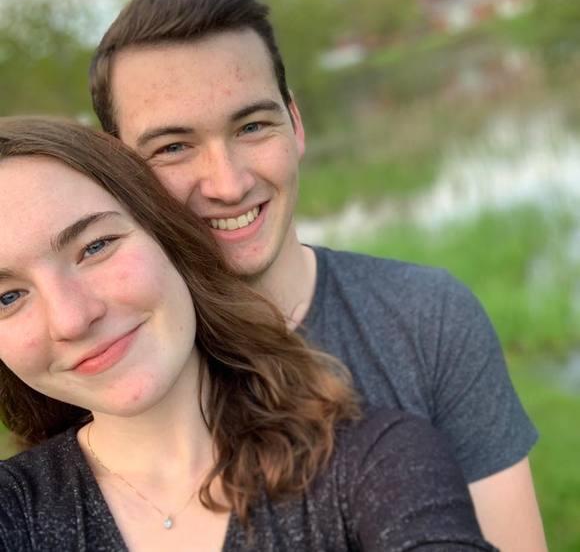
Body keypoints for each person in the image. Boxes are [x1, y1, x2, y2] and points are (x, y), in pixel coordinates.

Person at [88, 0, 546, 551]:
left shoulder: (428, 319)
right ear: (120, 172)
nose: (228, 184)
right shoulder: (108, 364)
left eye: (252, 126)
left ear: (296, 125)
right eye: (174, 147)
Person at [0, 116, 497, 551]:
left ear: (169, 237)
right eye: (7, 297)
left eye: (96, 246)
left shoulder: (375, 464)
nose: (71, 318)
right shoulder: (14, 512)